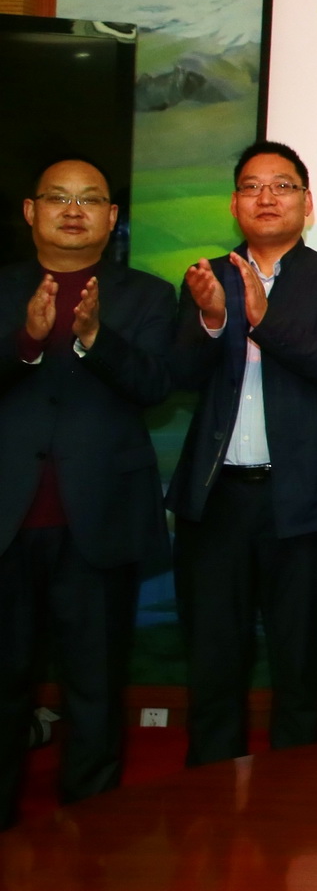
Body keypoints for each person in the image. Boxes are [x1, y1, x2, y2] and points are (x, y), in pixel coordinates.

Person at [169, 141, 317, 765]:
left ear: (306, 204)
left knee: (300, 669)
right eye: (252, 187)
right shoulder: (208, 277)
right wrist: (211, 321)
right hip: (218, 502)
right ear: (234, 203)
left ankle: (294, 801)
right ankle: (208, 799)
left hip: (307, 503)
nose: (266, 197)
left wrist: (262, 317)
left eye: (282, 186)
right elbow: (178, 376)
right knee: (213, 667)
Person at [0, 160, 172, 829]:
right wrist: (27, 340)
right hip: (9, 522)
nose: (74, 211)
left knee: (95, 689)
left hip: (98, 524)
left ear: (111, 216)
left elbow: (156, 386)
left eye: (90, 199)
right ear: (31, 211)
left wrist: (96, 338)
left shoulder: (147, 295)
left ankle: (89, 834)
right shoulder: (4, 288)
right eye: (58, 198)